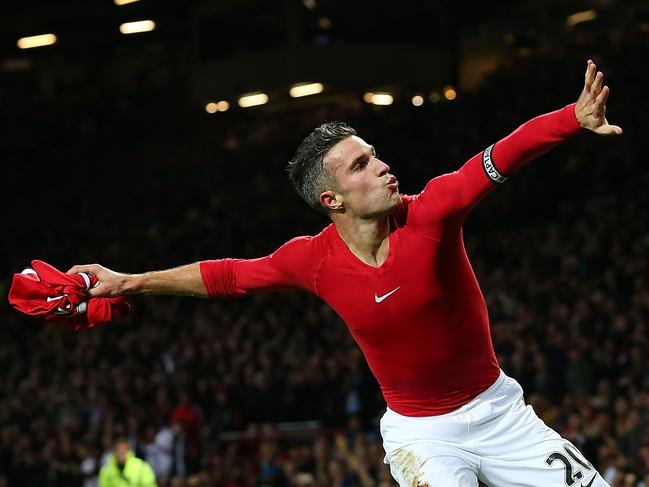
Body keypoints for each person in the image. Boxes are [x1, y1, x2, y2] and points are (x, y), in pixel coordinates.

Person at [69, 60, 622, 486]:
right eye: (361, 164)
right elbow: (228, 276)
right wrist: (127, 281)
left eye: (374, 153)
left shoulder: (431, 212)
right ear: (331, 198)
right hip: (423, 435)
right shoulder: (312, 260)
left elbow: (502, 155)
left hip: (502, 414)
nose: (382, 165)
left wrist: (572, 119)